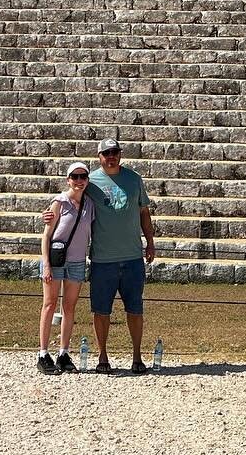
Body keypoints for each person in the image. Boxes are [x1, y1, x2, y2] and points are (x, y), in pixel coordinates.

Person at [47, 139, 156, 373]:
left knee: (135, 309)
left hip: (132, 256)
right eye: (106, 153)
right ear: (99, 156)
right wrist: (50, 213)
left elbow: (144, 212)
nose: (111, 156)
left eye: (114, 152)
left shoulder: (134, 179)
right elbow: (70, 195)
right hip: (102, 258)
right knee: (101, 311)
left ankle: (137, 357)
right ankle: (102, 357)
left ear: (120, 154)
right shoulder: (90, 181)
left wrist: (150, 242)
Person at [37, 161, 95, 375]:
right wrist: (46, 265)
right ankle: (43, 353)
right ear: (68, 180)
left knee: (69, 308)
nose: (79, 181)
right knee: (49, 305)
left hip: (78, 260)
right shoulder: (59, 203)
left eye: (83, 177)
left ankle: (63, 352)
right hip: (56, 260)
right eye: (75, 177)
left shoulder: (90, 204)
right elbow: (46, 235)